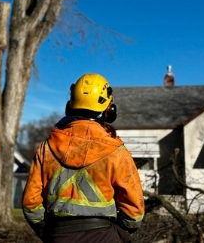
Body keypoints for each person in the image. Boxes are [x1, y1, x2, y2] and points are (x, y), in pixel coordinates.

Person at [22, 73, 145, 243]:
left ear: (69, 106)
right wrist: (122, 230)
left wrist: (46, 231)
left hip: (58, 235)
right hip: (105, 236)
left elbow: (31, 203)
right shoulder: (117, 151)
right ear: (109, 110)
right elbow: (134, 210)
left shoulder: (47, 148)